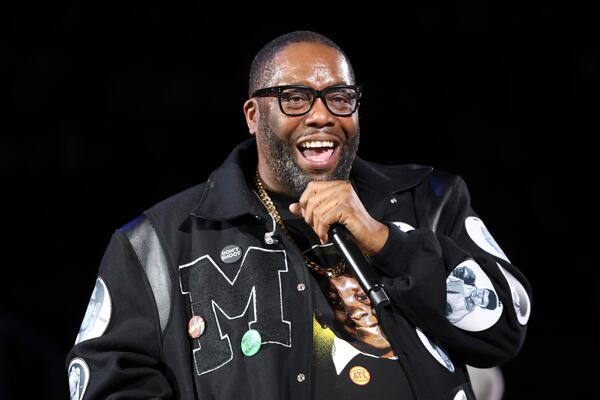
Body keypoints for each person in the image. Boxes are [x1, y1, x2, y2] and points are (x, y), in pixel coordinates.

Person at [66, 31, 531, 399]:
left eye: (340, 98)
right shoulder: (161, 241)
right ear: (254, 114)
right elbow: (109, 379)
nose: (322, 115)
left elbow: (504, 330)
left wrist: (384, 241)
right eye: (295, 98)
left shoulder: (429, 200)